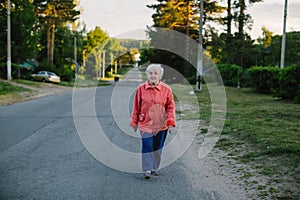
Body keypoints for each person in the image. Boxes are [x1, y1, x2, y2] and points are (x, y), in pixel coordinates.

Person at [130, 64, 176, 179]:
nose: (153, 75)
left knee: (157, 147)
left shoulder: (167, 89)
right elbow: (136, 106)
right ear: (147, 75)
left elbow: (170, 107)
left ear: (160, 75)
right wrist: (134, 122)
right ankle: (147, 169)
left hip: (162, 125)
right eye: (151, 73)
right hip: (145, 123)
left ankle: (154, 167)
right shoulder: (141, 89)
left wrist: (170, 122)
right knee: (147, 145)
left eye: (156, 73)